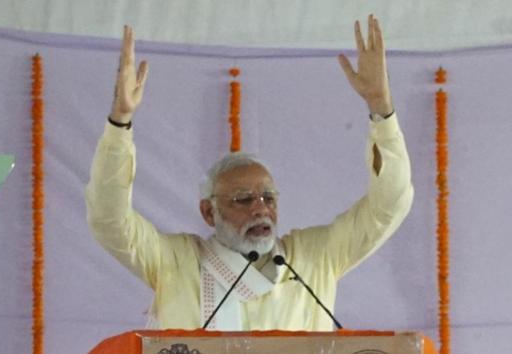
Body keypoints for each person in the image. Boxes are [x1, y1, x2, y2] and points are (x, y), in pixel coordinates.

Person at [86, 14, 413, 331]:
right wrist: (120, 122)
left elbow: (389, 207)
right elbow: (109, 219)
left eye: (268, 197)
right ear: (208, 212)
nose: (260, 208)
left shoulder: (314, 258)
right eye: (243, 199)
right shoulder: (175, 262)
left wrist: (381, 109)